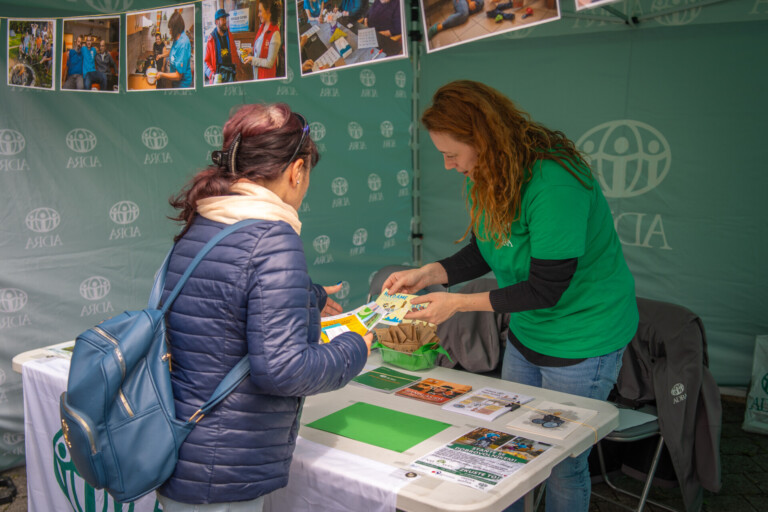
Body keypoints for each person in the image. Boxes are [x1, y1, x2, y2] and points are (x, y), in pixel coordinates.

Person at [383, 80, 638, 512]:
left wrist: (458, 304)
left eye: (451, 154)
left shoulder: (555, 182)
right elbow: (486, 248)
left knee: (561, 461)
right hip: (528, 333)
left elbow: (546, 287)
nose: (447, 165)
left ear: (482, 140)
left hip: (583, 341)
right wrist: (430, 273)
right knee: (511, 451)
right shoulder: (485, 173)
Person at [157, 102, 372, 510]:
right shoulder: (274, 238)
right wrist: (355, 344)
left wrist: (307, 297)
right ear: (297, 170)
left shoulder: (207, 219)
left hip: (185, 443)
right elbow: (283, 370)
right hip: (224, 464)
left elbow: (221, 302)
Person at [243, 0, 282, 80]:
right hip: (257, 75)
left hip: (266, 79)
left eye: (260, 11)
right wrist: (251, 50)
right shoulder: (262, 27)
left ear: (268, 11)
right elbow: (261, 48)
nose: (258, 15)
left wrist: (252, 59)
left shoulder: (275, 34)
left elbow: (270, 63)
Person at [204, 8, 242, 84]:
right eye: (223, 19)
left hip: (231, 75)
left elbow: (234, 54)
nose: (225, 22)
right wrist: (212, 74)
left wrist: (239, 69)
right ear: (216, 22)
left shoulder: (230, 36)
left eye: (226, 19)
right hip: (218, 77)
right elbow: (206, 62)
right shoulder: (211, 39)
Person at [156, 11, 192, 88]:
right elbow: (172, 51)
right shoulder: (177, 37)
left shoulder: (183, 43)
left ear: (176, 29)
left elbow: (178, 76)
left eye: (171, 30)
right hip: (176, 82)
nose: (169, 32)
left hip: (182, 84)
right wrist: (161, 55)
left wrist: (162, 74)